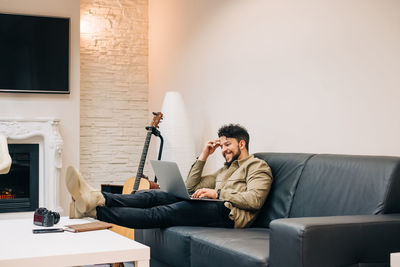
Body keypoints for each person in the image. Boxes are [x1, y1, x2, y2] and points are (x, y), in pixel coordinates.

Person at [66, 124, 273, 229]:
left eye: (228, 144)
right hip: (215, 206)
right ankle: (97, 198)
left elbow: (254, 200)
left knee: (163, 212)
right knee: (153, 196)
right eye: (222, 145)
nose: (223, 150)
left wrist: (217, 192)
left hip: (229, 215)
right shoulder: (225, 169)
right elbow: (190, 187)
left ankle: (93, 213)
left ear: (242, 144)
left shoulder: (258, 166)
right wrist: (203, 156)